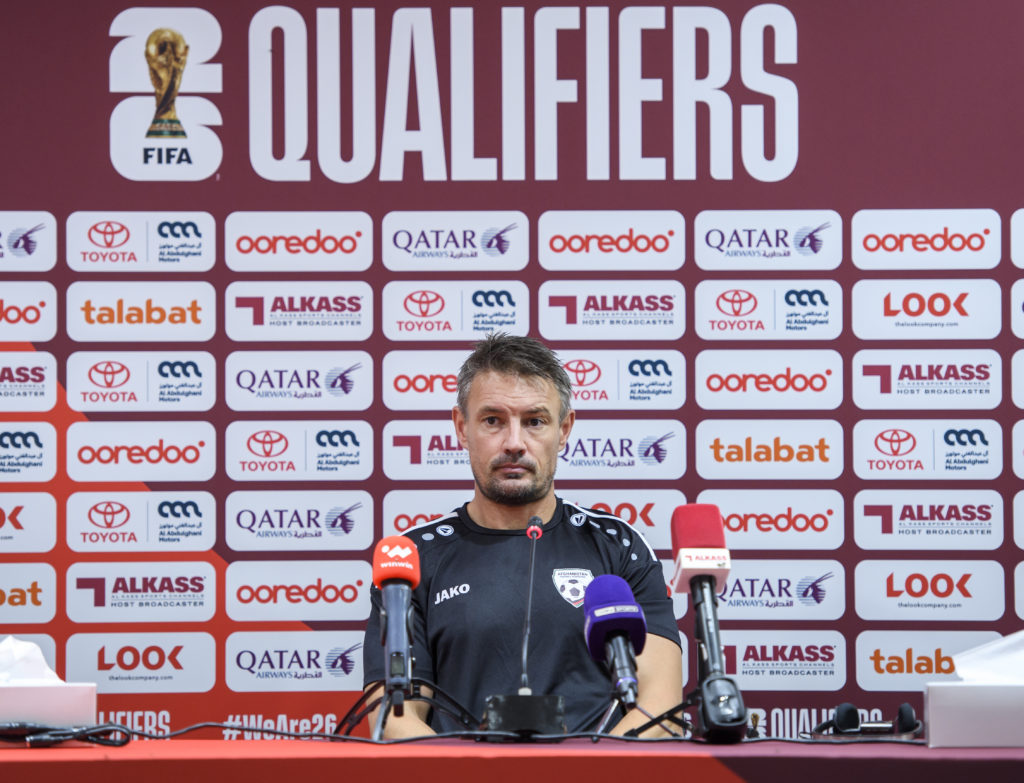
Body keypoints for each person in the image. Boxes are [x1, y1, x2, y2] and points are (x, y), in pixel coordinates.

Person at [362, 333, 682, 737]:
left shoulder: (619, 548)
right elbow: (395, 718)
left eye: (534, 421)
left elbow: (661, 710)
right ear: (462, 427)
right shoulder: (410, 561)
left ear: (564, 429)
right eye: (493, 420)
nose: (514, 443)